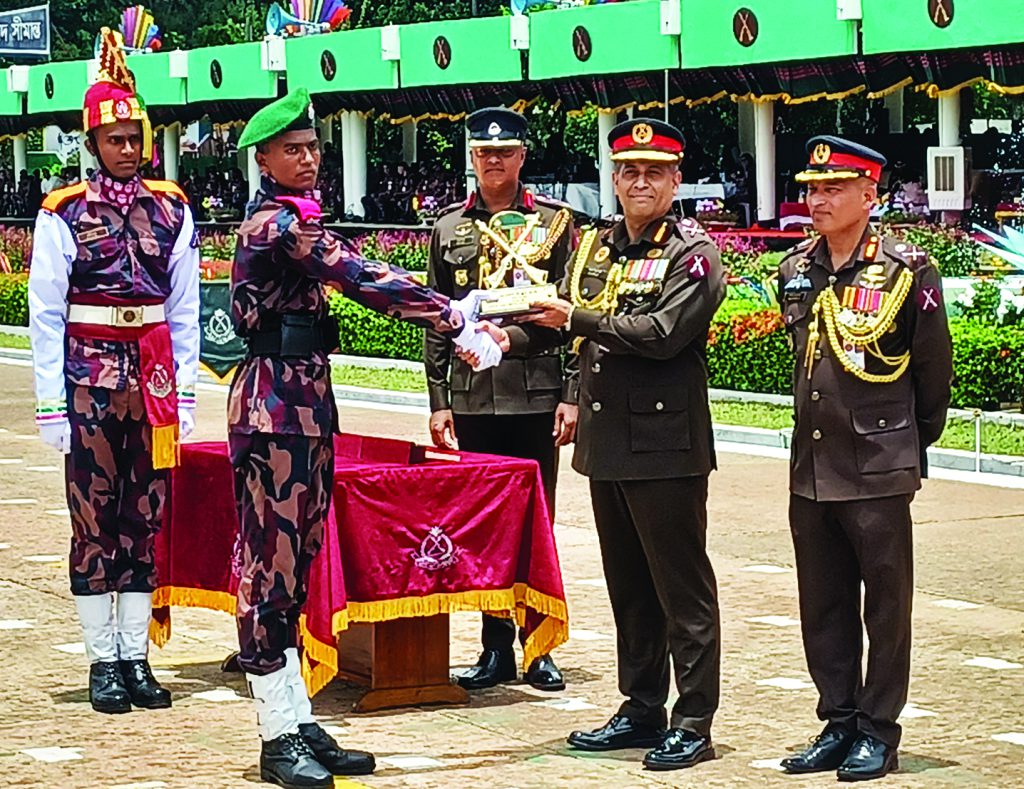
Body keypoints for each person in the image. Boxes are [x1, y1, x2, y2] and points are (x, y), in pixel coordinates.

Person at [228, 87, 507, 789]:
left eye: (314, 146)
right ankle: (274, 733)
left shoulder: (296, 218)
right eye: (292, 149)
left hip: (304, 405)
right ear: (261, 158)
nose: (308, 157)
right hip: (274, 412)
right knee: (270, 574)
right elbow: (357, 274)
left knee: (293, 574)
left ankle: (292, 716)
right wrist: (451, 315)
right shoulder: (275, 225)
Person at [526, 118, 725, 771]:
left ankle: (693, 717)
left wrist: (573, 319)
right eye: (629, 171)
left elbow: (663, 330)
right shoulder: (597, 245)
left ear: (675, 179)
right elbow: (565, 326)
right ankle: (641, 704)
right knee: (630, 586)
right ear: (613, 178)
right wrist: (501, 333)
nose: (640, 182)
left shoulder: (692, 252)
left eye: (654, 172)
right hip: (608, 439)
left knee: (680, 585)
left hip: (665, 443)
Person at [28, 29, 199, 716]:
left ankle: (136, 655)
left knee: (145, 518)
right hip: (88, 382)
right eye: (114, 138)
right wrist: (51, 404)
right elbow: (46, 310)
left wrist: (184, 394)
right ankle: (102, 660)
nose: (127, 149)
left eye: (135, 136)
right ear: (91, 141)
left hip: (153, 383)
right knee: (93, 520)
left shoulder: (173, 206)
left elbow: (185, 307)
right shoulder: (64, 211)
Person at [775, 136, 953, 782]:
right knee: (822, 603)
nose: (817, 200)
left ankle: (879, 728)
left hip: (878, 466)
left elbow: (933, 376)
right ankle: (838, 718)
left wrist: (904, 445)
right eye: (812, 189)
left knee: (885, 605)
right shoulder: (796, 268)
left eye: (833, 188)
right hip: (813, 467)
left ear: (869, 194)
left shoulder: (908, 270)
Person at [424, 107, 576, 693]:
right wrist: (438, 399)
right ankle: (494, 651)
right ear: (472, 157)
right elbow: (436, 319)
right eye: (484, 153)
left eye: (505, 152)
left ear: (522, 157)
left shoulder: (557, 227)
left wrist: (572, 397)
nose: (493, 161)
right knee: (486, 528)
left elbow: (572, 317)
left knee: (537, 524)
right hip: (472, 399)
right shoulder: (447, 229)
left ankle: (541, 647)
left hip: (535, 396)